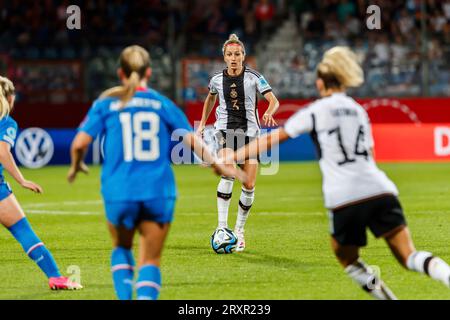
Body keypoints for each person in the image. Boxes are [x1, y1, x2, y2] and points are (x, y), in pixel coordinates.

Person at [228, 47, 450, 299]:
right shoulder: (359, 110)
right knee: (409, 255)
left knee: (346, 257)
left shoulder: (315, 110)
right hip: (380, 188)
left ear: (319, 83)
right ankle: (445, 275)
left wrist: (233, 155)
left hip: (344, 197)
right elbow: (371, 156)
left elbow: (274, 138)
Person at [68, 45, 244, 300]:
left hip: (120, 191)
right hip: (157, 192)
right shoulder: (162, 104)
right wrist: (217, 165)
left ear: (120, 73)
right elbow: (192, 142)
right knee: (150, 259)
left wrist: (76, 165)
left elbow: (79, 144)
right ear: (149, 72)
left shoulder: (106, 103)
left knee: (121, 249)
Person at [196, 33, 279, 252]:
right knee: (227, 172)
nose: (234, 58)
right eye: (230, 54)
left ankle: (239, 230)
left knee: (249, 184)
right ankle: (222, 228)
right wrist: (203, 122)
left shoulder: (254, 77)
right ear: (224, 56)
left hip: (250, 135)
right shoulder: (216, 80)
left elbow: (273, 100)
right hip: (225, 131)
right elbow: (211, 98)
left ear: (244, 56)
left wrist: (269, 111)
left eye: (238, 54)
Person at [0, 76, 82, 290]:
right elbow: (2, 152)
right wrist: (21, 179)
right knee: (23, 230)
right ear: (9, 98)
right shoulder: (6, 122)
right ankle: (55, 277)